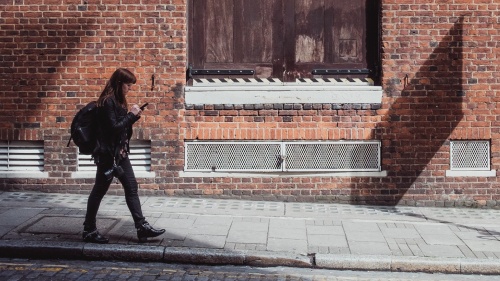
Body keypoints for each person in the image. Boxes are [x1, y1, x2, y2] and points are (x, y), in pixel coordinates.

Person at [82, 68, 165, 243]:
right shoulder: (107, 102)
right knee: (99, 191)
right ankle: (89, 230)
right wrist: (131, 116)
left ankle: (142, 227)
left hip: (119, 154)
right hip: (107, 155)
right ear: (119, 84)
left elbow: (121, 128)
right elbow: (113, 128)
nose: (130, 89)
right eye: (128, 85)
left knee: (132, 187)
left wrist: (131, 117)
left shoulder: (119, 101)